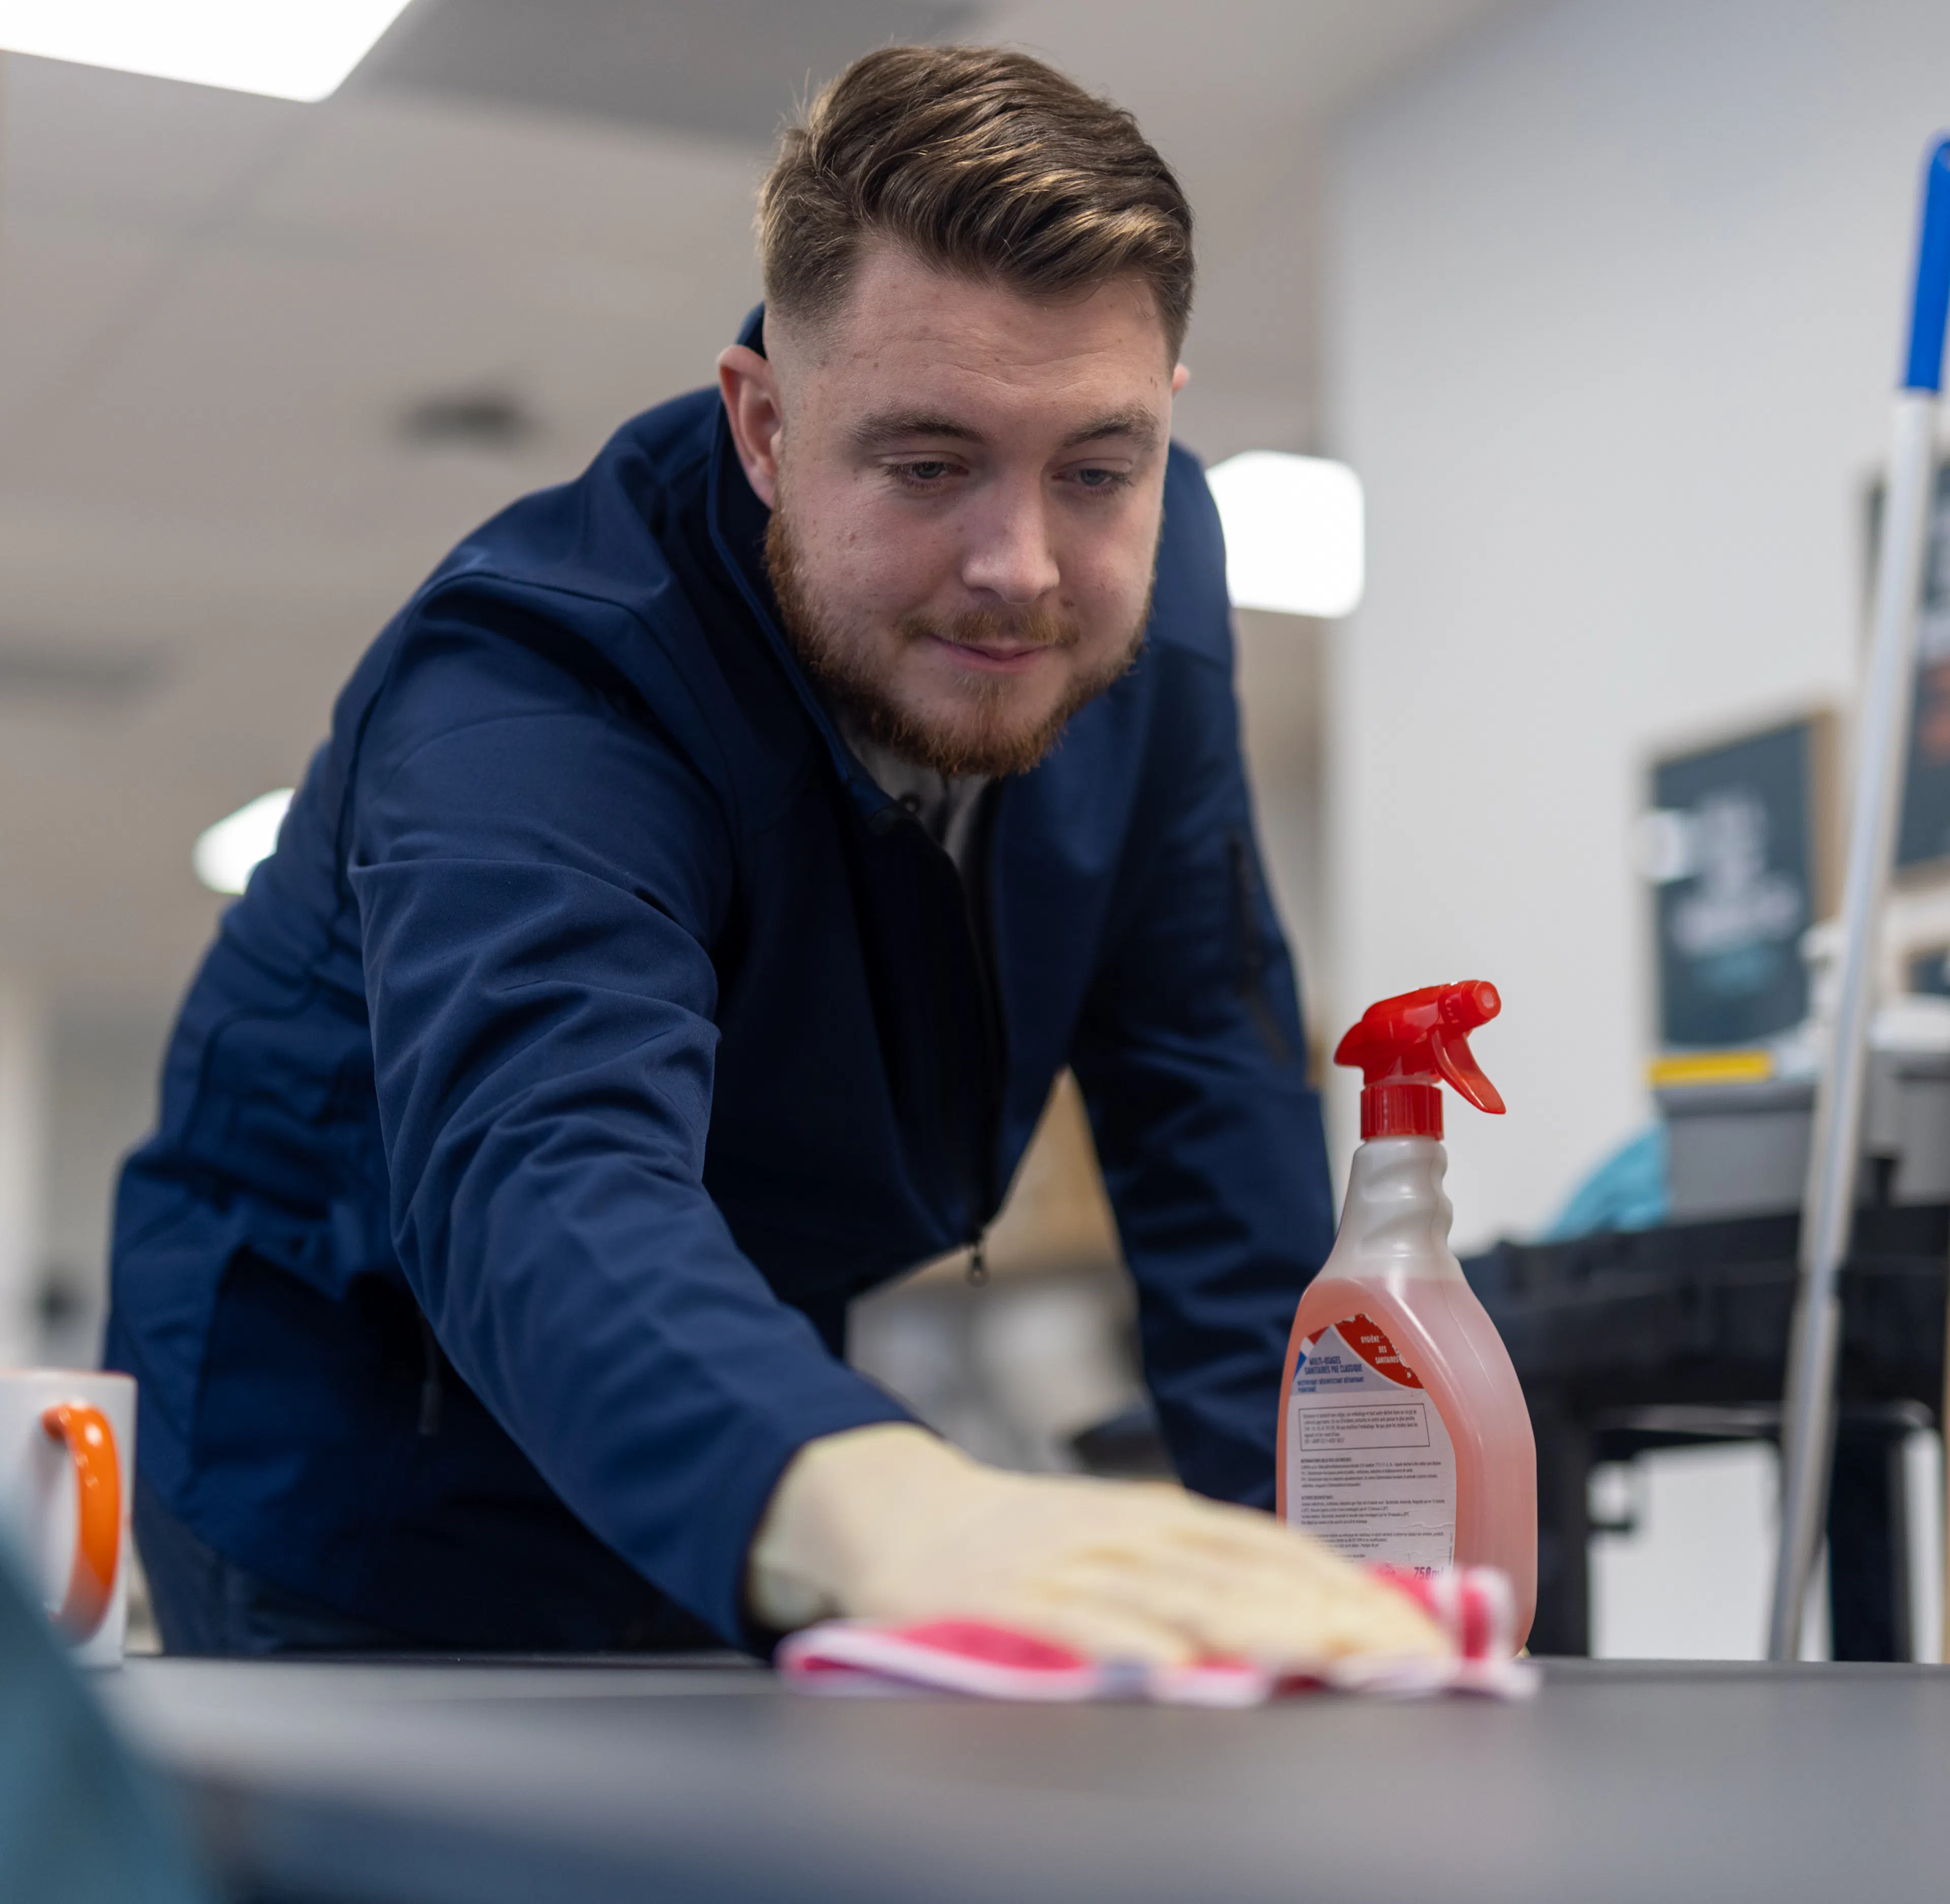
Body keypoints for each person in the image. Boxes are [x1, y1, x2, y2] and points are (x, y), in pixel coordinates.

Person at [106, 45, 1442, 1666]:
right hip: (352, 1428)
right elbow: (547, 1169)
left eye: (1096, 468)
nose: (1020, 564)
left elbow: (1200, 1078)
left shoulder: (1155, 569)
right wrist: (896, 1505)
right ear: (762, 428)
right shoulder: (538, 685)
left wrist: (1318, 1578)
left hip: (734, 1354)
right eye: (929, 464)